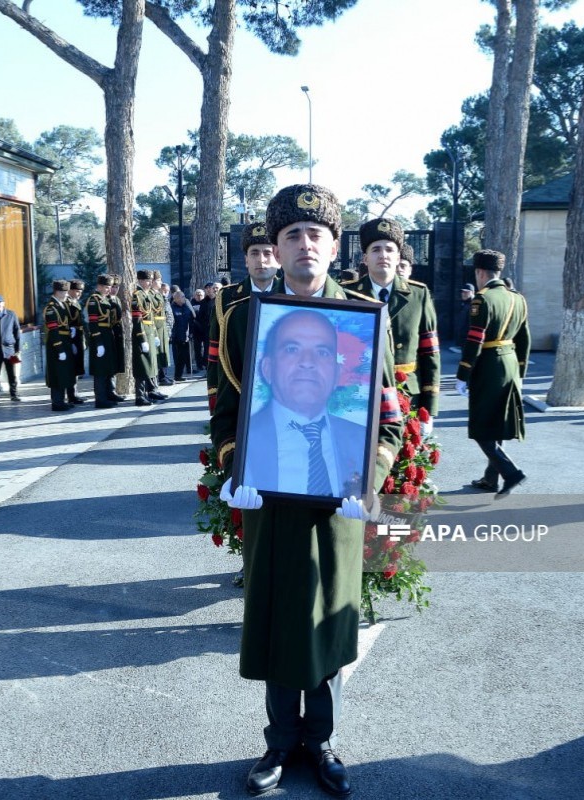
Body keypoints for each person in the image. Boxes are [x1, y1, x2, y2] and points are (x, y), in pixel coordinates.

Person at [212, 183, 403, 799]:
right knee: (274, 615)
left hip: (336, 502)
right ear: (276, 246)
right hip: (270, 498)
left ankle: (319, 740)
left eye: (314, 234)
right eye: (290, 234)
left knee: (324, 619)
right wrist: (234, 469)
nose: (303, 245)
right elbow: (227, 410)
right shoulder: (245, 318)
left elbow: (390, 417)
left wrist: (366, 480)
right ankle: (276, 742)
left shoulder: (366, 318)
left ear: (333, 243)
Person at [241, 309, 367, 499]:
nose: (308, 362)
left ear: (336, 374)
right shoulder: (244, 440)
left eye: (322, 352)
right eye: (292, 349)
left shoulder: (361, 439)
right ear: (267, 368)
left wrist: (367, 490)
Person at [342, 216, 440, 422]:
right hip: (359, 394)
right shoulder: (348, 295)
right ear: (365, 258)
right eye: (376, 249)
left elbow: (429, 352)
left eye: (389, 249)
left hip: (406, 392)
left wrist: (429, 408)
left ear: (398, 257)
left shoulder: (418, 294)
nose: (383, 255)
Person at [456, 250, 530, 497]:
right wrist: (520, 369)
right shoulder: (517, 298)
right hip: (510, 363)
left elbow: (475, 339)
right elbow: (524, 338)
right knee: (498, 423)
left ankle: (511, 472)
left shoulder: (482, 299)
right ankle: (491, 479)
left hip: (488, 365)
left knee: (481, 426)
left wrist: (464, 372)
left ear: (479, 272)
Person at [207, 222, 280, 412]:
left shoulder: (291, 296)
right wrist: (215, 398)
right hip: (237, 394)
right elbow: (215, 354)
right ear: (246, 260)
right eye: (254, 253)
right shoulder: (226, 298)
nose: (261, 260)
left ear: (278, 258)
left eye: (267, 253)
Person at [43, 280, 77, 412]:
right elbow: (53, 330)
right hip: (56, 345)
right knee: (57, 374)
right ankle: (57, 402)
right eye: (64, 292)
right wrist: (60, 349)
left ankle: (61, 400)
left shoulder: (62, 305)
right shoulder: (51, 308)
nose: (66, 294)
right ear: (57, 292)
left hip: (65, 342)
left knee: (63, 373)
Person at [131, 270, 164, 405]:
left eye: (150, 280)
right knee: (142, 365)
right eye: (146, 280)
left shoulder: (147, 295)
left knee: (150, 364)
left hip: (150, 331)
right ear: (140, 280)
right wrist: (142, 339)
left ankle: (149, 391)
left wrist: (155, 334)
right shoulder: (137, 296)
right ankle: (139, 396)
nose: (149, 282)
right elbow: (137, 320)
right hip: (142, 333)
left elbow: (151, 317)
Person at [84, 274, 118, 408]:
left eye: (109, 287)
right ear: (99, 286)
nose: (108, 289)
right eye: (105, 287)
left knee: (108, 368)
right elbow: (93, 323)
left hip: (108, 335)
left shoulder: (106, 299)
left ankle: (109, 394)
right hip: (100, 337)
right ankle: (100, 399)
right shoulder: (94, 300)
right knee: (100, 370)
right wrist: (98, 343)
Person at [66, 280, 88, 404]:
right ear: (70, 290)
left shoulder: (76, 302)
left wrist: (82, 339)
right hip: (71, 337)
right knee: (71, 368)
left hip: (78, 336)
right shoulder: (67, 303)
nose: (79, 294)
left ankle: (74, 393)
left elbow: (80, 323)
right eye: (77, 291)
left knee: (76, 367)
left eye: (80, 291)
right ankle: (71, 395)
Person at [107, 276, 128, 402]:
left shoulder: (117, 300)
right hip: (110, 333)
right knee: (110, 364)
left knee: (116, 363)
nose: (114, 289)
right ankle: (110, 391)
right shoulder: (106, 300)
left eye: (116, 287)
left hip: (118, 333)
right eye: (112, 287)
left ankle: (113, 390)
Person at [170, 289, 196, 382]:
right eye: (182, 297)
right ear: (176, 298)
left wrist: (189, 305)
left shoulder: (186, 307)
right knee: (178, 357)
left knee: (183, 357)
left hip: (186, 336)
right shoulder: (172, 308)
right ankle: (176, 375)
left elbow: (193, 317)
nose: (184, 298)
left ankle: (179, 375)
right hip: (176, 336)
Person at [190, 288, 208, 373]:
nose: (199, 296)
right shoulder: (191, 304)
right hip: (195, 330)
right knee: (197, 349)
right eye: (197, 294)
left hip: (205, 329)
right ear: (194, 295)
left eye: (200, 294)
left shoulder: (206, 303)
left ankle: (205, 363)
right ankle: (199, 365)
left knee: (206, 348)